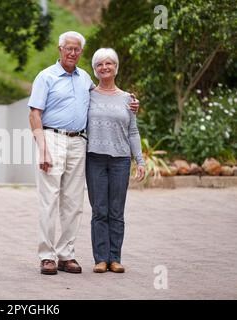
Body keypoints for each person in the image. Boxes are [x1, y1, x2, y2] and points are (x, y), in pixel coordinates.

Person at [28, 32, 139, 275]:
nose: (72, 53)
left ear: (81, 53)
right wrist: (42, 148)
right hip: (52, 138)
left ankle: (66, 255)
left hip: (79, 142)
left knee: (73, 203)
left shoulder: (85, 79)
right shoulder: (45, 77)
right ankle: (47, 256)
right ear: (60, 49)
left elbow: (106, 95)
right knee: (50, 200)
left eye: (77, 49)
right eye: (68, 48)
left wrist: (130, 103)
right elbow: (34, 114)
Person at [86, 48, 145, 274]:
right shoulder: (88, 94)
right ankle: (100, 259)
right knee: (99, 210)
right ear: (95, 69)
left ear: (116, 67)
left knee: (116, 211)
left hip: (120, 160)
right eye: (99, 64)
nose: (104, 67)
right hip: (95, 159)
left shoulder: (127, 99)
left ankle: (115, 258)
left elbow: (133, 131)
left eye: (109, 63)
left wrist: (139, 160)